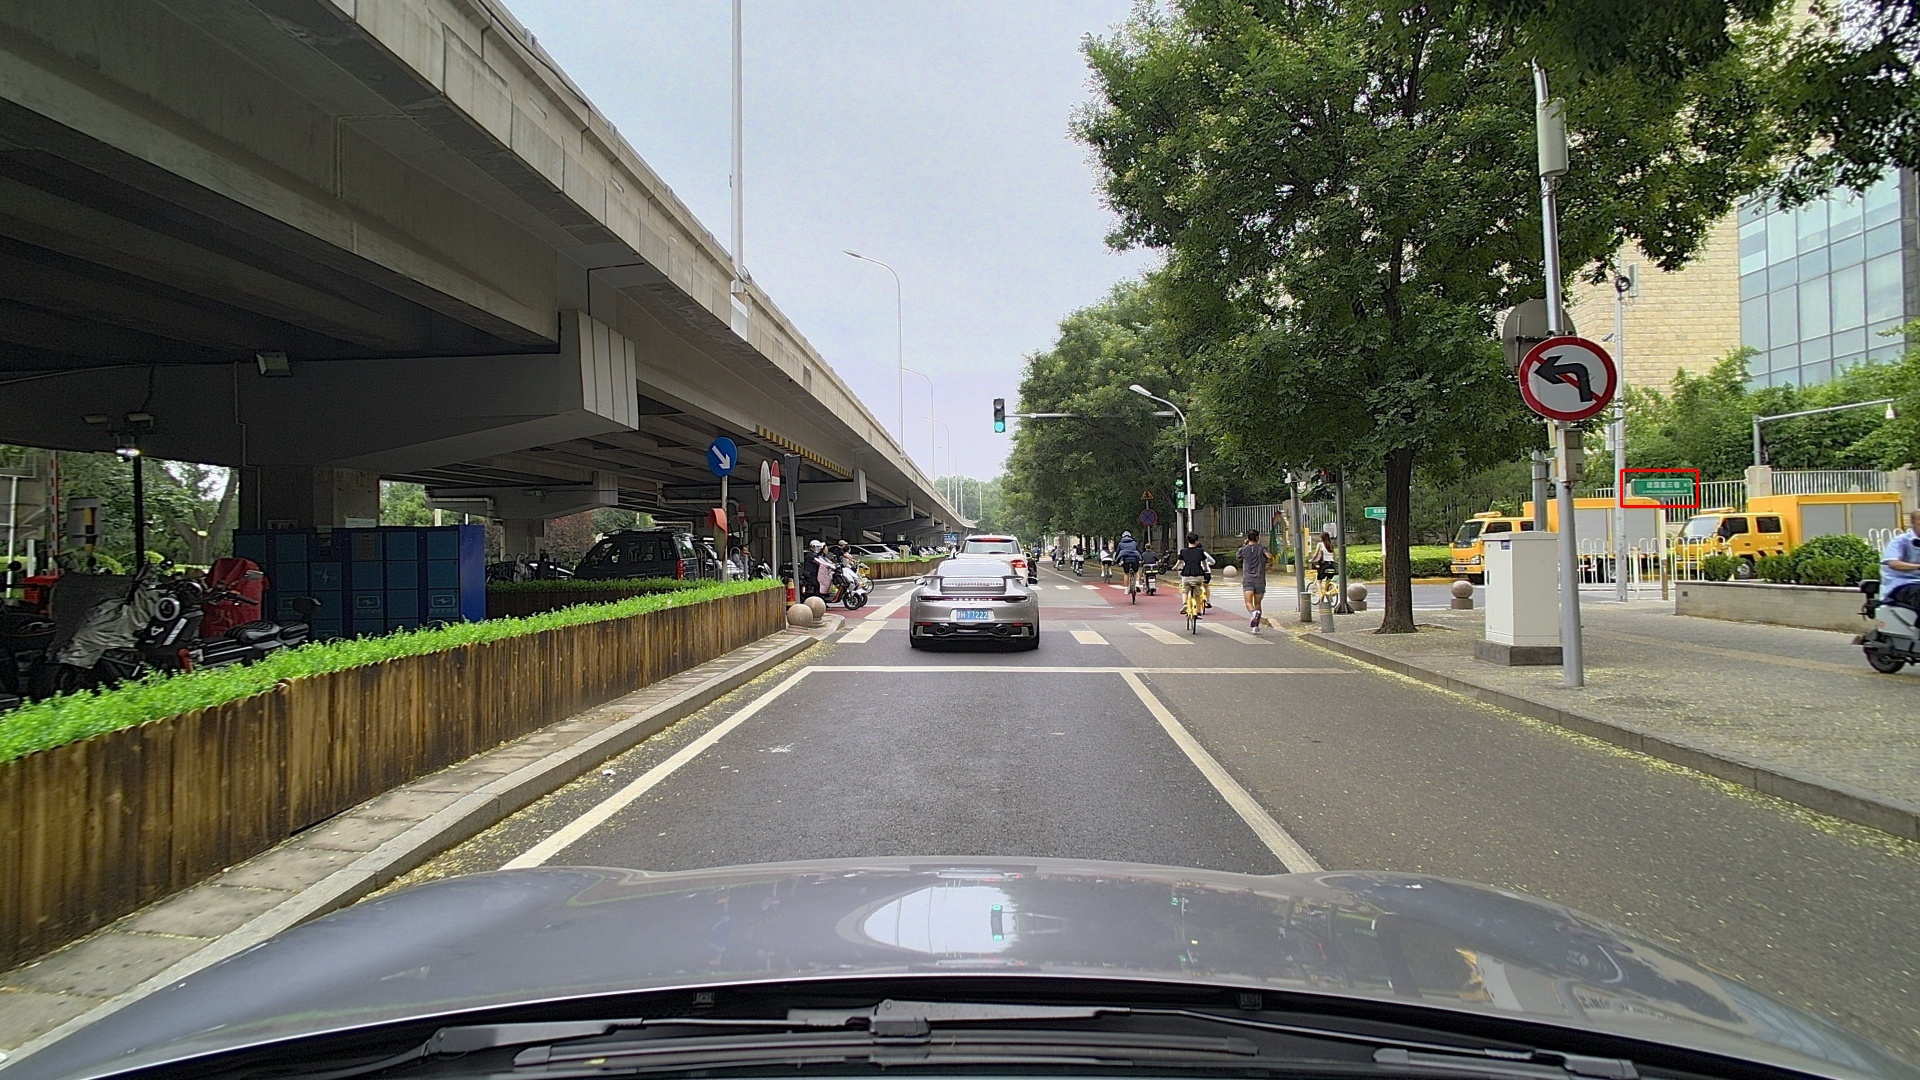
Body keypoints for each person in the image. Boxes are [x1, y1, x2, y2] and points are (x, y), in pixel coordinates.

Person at [1881, 509, 1920, 607]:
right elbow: (1894, 564)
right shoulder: (1900, 541)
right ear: (1913, 523)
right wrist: (1918, 566)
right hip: (1901, 584)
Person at [1238, 529, 1272, 632]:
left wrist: (1245, 545)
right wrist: (1270, 565)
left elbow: (1238, 557)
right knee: (1257, 604)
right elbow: (1269, 556)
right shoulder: (1262, 548)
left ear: (1248, 538)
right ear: (1258, 538)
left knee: (1248, 603)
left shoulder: (1243, 549)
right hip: (1260, 580)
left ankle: (1253, 613)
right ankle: (1255, 626)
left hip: (1248, 580)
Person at [1176, 532, 1213, 617]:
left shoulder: (1183, 551)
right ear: (1196, 541)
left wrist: (1175, 568)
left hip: (1186, 575)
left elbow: (1178, 563)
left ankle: (1184, 604)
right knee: (1197, 594)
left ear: (1187, 540)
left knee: (1185, 591)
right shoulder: (1200, 551)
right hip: (1198, 575)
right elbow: (1204, 563)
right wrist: (1206, 569)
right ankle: (1198, 612)